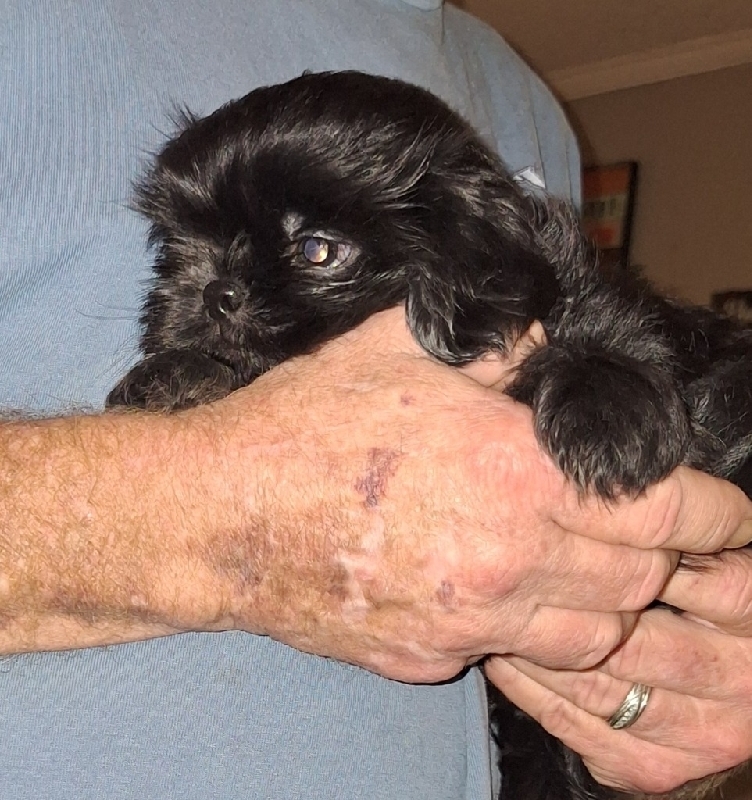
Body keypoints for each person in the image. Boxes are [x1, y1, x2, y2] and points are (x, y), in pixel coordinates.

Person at [1, 1, 751, 798]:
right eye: (185, 251)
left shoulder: (516, 92)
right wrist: (228, 509)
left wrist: (684, 696)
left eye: (316, 251)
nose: (219, 292)